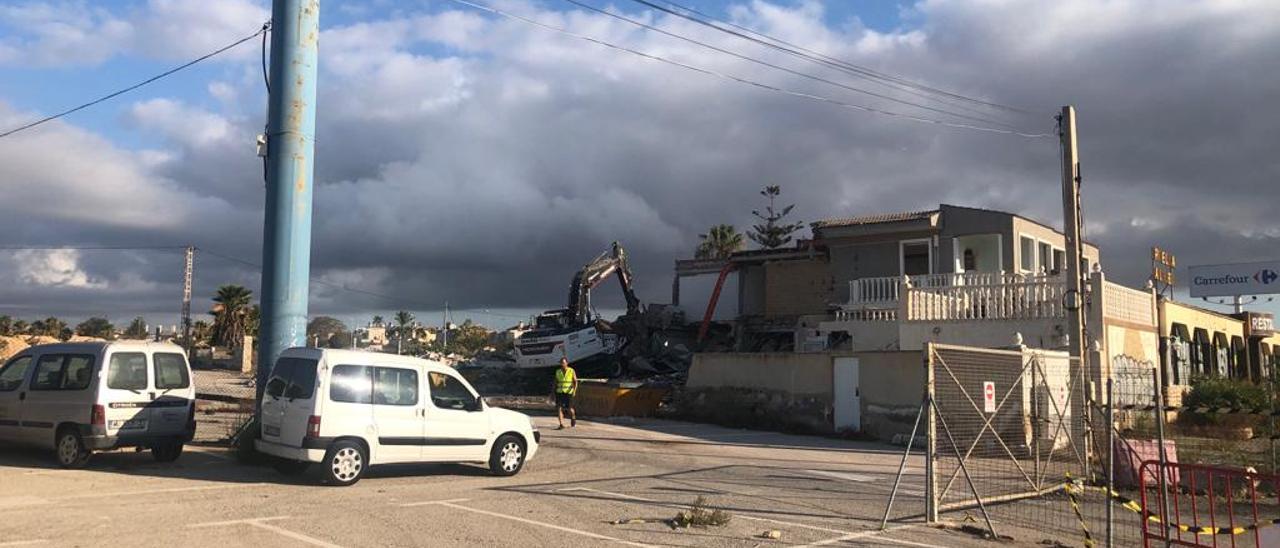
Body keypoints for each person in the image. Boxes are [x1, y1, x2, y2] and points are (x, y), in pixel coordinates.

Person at [554, 357, 579, 429]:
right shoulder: (558, 371)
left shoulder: (571, 371)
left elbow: (575, 381)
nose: (562, 364)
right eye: (561, 363)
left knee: (570, 409)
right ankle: (561, 424)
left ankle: (573, 418)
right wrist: (553, 392)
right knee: (559, 408)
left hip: (569, 392)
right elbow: (555, 382)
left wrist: (574, 391)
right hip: (560, 392)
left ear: (566, 363)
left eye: (563, 363)